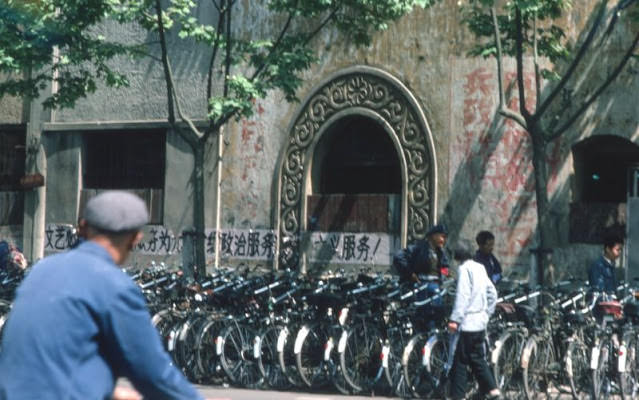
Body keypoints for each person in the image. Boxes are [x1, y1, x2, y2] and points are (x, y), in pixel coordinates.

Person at [0, 191, 206, 400]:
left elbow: (51, 359)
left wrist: (109, 392)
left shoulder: (41, 271)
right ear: (135, 238)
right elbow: (152, 374)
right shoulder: (115, 286)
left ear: (82, 228)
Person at [447, 244, 500, 400]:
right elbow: (492, 293)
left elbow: (462, 295)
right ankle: (492, 389)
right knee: (477, 358)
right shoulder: (480, 268)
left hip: (468, 323)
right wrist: (486, 313)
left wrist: (455, 319)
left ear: (458, 258)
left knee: (460, 361)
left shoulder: (464, 269)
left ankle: (458, 396)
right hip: (480, 323)